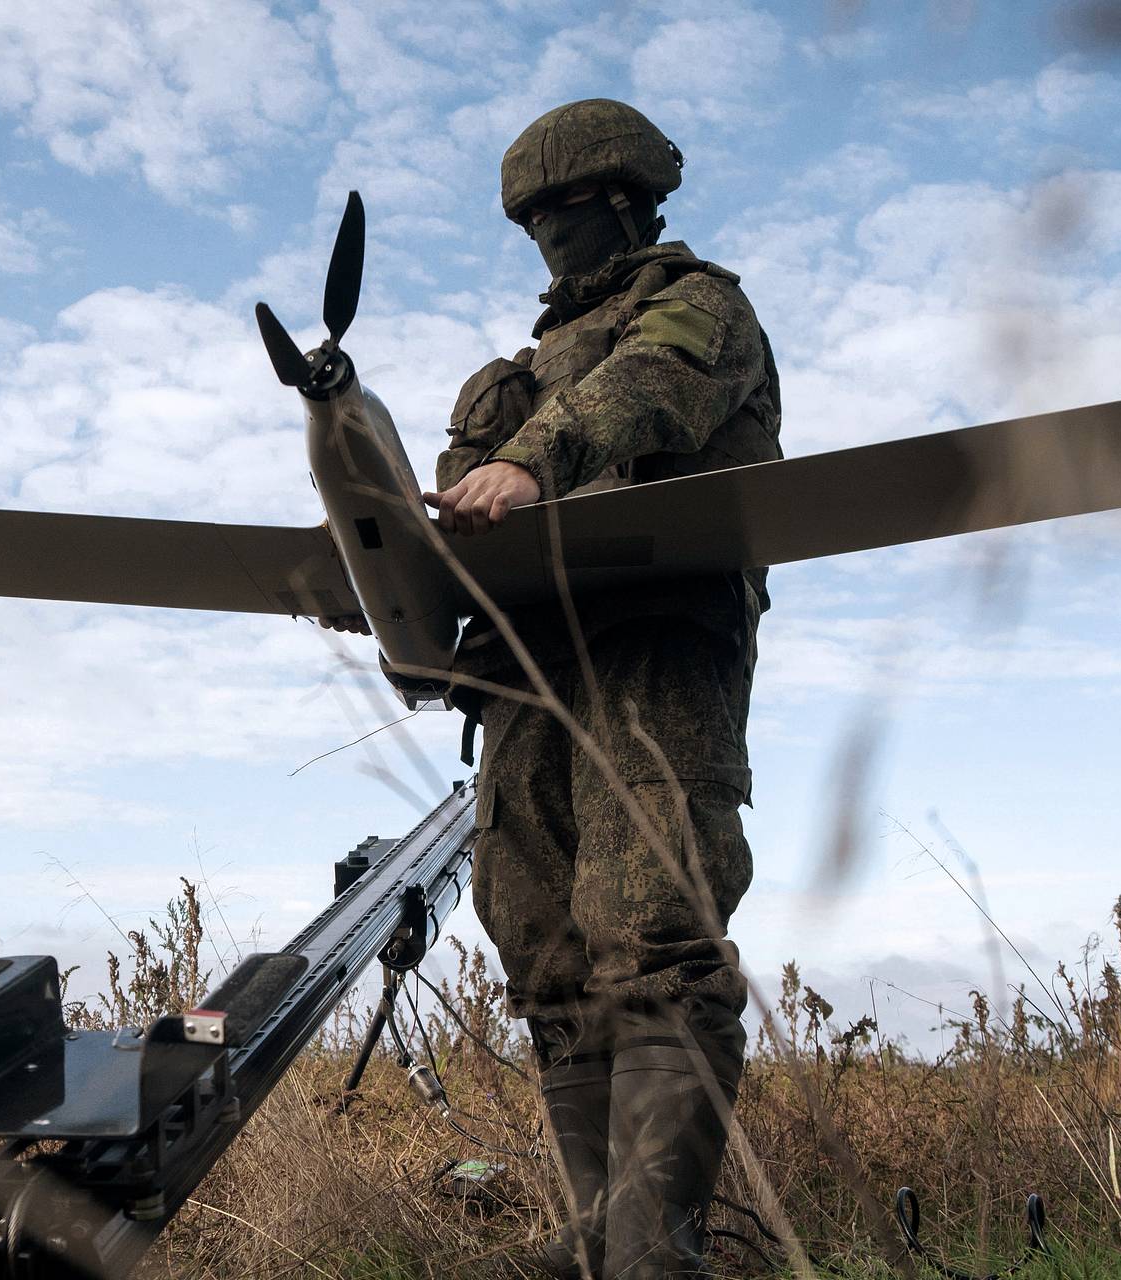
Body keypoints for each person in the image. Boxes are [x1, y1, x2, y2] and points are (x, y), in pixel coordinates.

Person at [421, 99, 782, 1279]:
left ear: (624, 198)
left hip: (656, 643)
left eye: (564, 210)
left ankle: (651, 1258)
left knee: (653, 935)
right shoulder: (507, 381)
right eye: (530, 220)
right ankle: (597, 1249)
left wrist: (535, 461)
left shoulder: (699, 309)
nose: (549, 235)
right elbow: (452, 513)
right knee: (544, 946)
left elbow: (654, 388)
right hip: (527, 667)